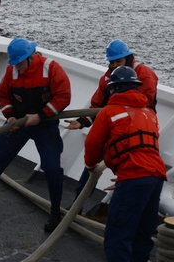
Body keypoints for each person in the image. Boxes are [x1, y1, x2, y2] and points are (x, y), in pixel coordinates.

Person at [0, 37, 72, 232]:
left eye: (19, 63)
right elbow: (2, 95)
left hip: (45, 125)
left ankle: (55, 212)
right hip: (18, 124)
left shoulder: (51, 68)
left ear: (30, 58)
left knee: (52, 168)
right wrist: (10, 116)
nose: (17, 67)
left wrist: (41, 116)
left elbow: (64, 96)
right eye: (15, 64)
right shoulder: (12, 71)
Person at [82, 66, 167, 262]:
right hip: (155, 175)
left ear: (114, 89)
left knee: (118, 231)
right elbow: (145, 146)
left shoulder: (109, 111)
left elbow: (94, 143)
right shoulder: (149, 113)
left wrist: (90, 166)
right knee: (143, 228)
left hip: (133, 177)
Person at [65, 39, 159, 203]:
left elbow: (145, 101)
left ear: (128, 58)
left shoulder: (144, 74)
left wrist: (115, 109)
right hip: (114, 128)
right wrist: (82, 121)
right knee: (90, 174)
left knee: (135, 174)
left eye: (118, 61)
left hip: (135, 131)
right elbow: (96, 104)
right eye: (112, 62)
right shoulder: (107, 79)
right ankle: (76, 208)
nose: (115, 65)